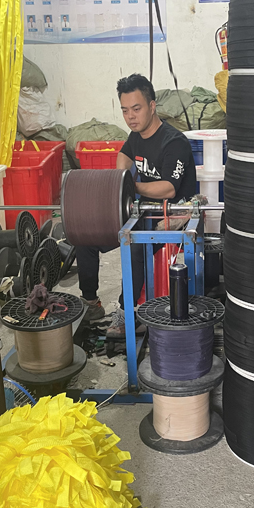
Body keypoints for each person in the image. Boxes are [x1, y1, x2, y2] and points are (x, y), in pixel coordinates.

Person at [77, 74, 197, 337]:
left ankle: (127, 313)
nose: (130, 117)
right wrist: (122, 177)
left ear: (152, 106)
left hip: (171, 214)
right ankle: (91, 302)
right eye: (125, 110)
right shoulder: (136, 135)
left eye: (136, 108)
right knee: (86, 235)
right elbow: (124, 154)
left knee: (133, 244)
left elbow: (169, 188)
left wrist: (130, 187)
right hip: (141, 209)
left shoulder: (174, 142)